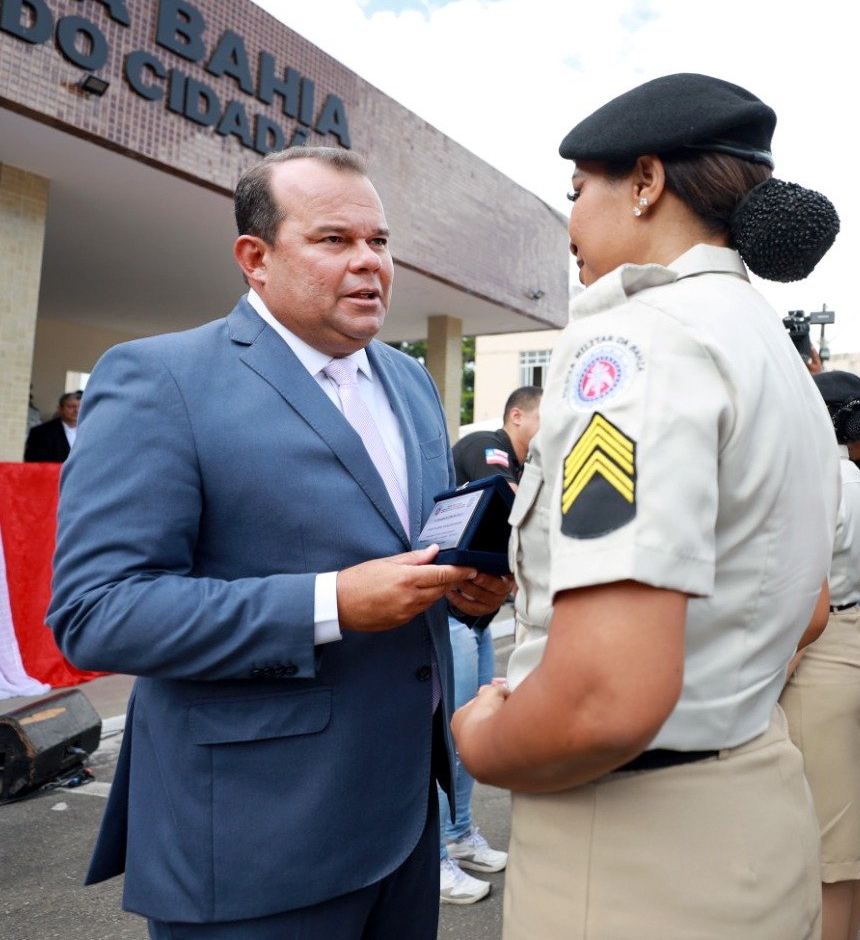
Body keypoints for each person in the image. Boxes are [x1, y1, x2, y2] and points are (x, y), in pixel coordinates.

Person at [46, 146, 513, 938]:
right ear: (254, 258)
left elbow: (418, 549)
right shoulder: (160, 380)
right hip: (253, 839)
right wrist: (329, 602)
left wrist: (469, 592)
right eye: (335, 240)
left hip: (404, 819)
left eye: (380, 241)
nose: (370, 263)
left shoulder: (409, 384)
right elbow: (98, 611)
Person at [449, 72, 842, 938]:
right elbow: (802, 610)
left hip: (634, 852)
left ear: (645, 182)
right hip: (754, 805)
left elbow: (603, 698)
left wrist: (478, 738)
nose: (572, 224)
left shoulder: (634, 340)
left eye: (577, 190)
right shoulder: (770, 350)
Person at [781, 370, 860, 940]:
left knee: (824, 843)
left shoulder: (813, 480)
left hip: (814, 650)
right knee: (847, 832)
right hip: (849, 639)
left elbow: (805, 600)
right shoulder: (851, 475)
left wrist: (770, 678)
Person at [435, 386, 541, 903]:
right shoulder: (491, 447)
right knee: (448, 735)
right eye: (543, 417)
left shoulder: (528, 467)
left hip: (476, 621)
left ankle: (458, 836)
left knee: (472, 731)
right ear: (517, 415)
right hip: (447, 617)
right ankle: (434, 856)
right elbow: (514, 507)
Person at [451, 386, 541, 486]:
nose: (552, 426)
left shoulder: (520, 464)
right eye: (545, 417)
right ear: (517, 417)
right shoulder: (487, 445)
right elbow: (513, 500)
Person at [24, 390, 82, 462]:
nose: (76, 410)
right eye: (71, 407)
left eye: (80, 407)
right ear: (60, 409)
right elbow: (34, 462)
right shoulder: (40, 432)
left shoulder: (90, 432)